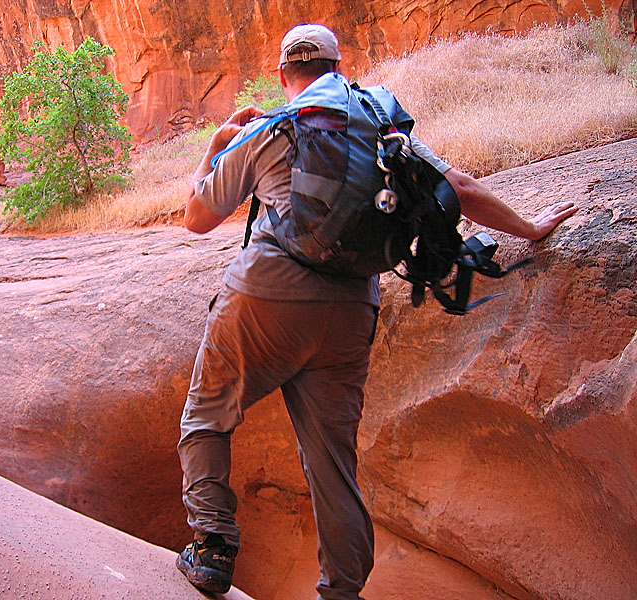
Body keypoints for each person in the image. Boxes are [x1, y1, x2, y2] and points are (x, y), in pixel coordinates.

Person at [175, 23, 577, 600]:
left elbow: (197, 217)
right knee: (333, 463)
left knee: (207, 413)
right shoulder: (379, 130)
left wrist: (214, 150)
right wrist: (530, 227)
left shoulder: (269, 129)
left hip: (267, 297)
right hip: (350, 308)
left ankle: (212, 548)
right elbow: (453, 186)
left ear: (283, 74)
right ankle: (341, 591)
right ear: (338, 67)